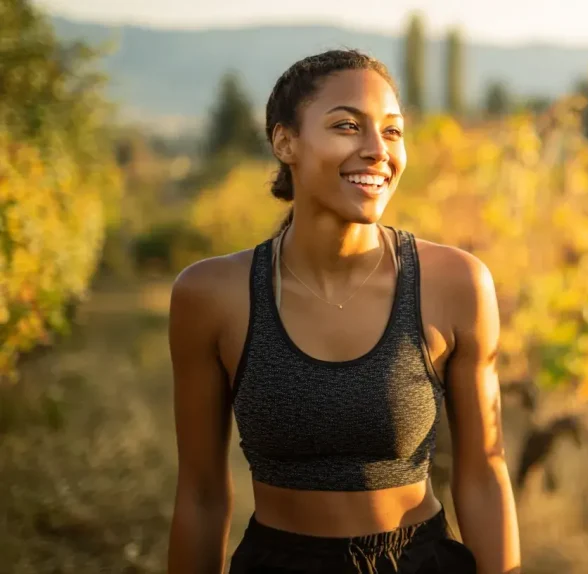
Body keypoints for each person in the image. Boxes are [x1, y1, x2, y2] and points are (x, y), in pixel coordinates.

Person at [166, 49, 521, 574]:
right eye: (347, 126)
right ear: (285, 141)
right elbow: (200, 494)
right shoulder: (212, 294)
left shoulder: (456, 283)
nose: (377, 151)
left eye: (393, 131)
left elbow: (485, 473)